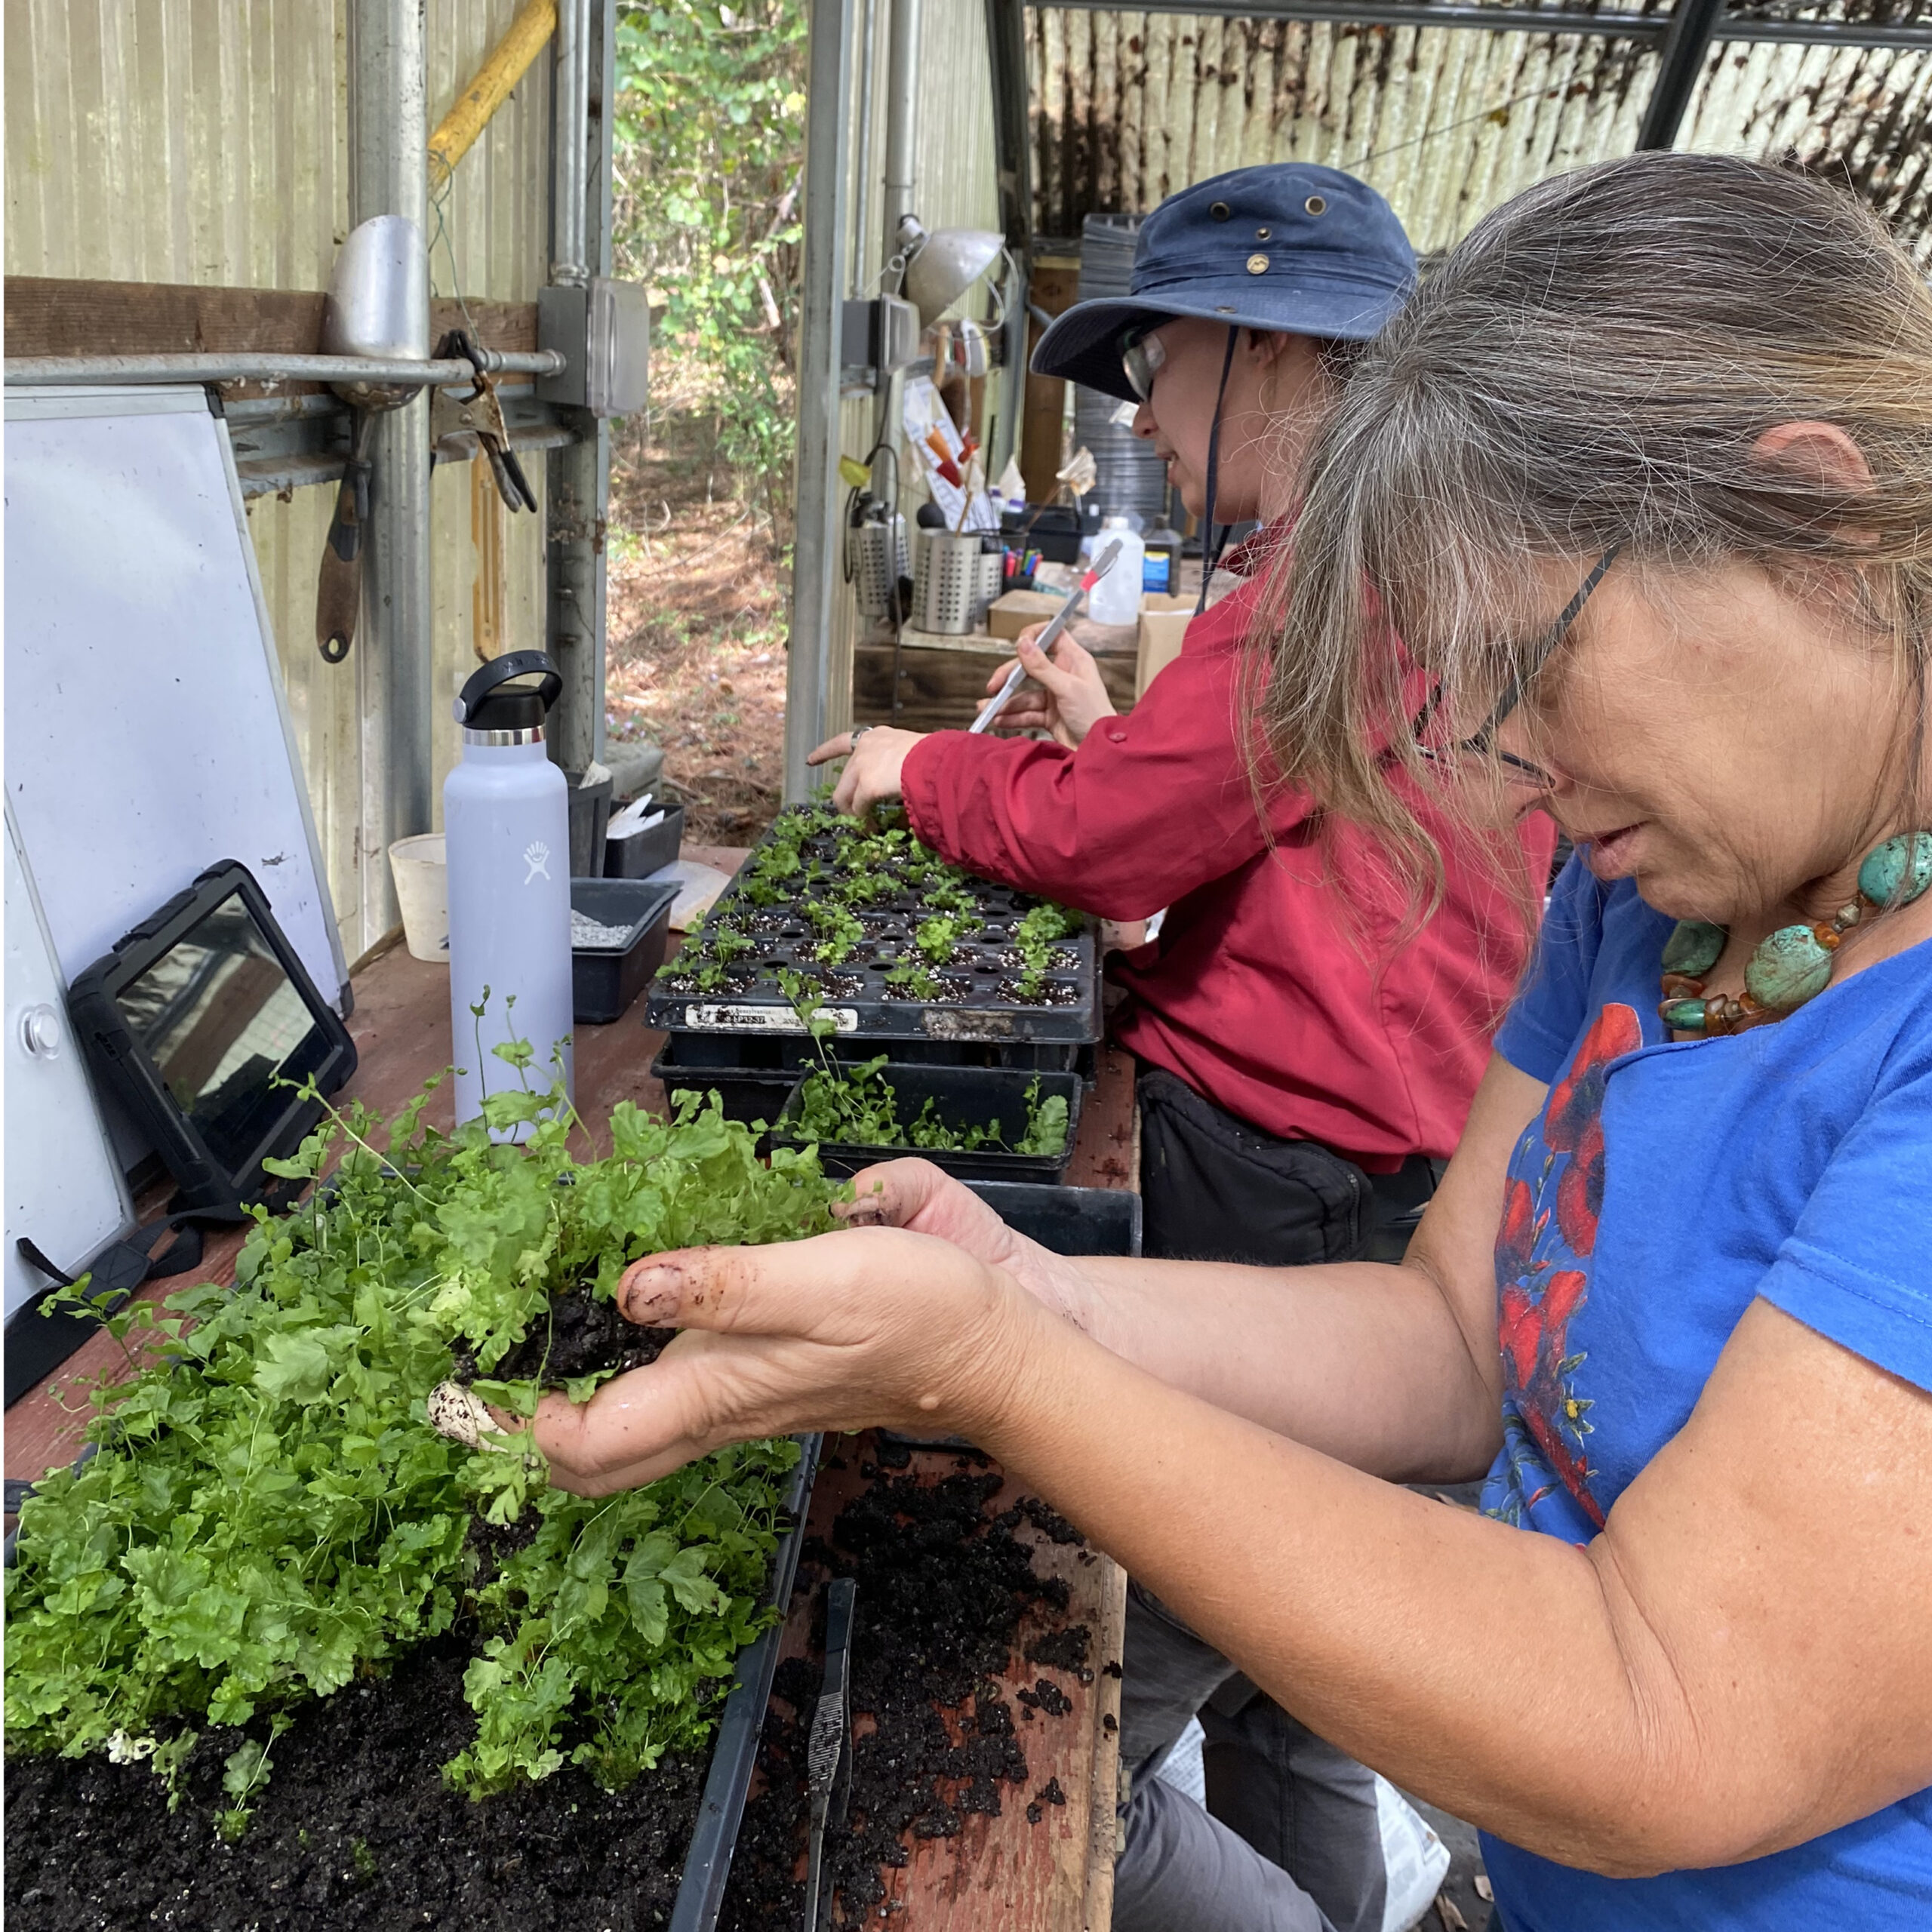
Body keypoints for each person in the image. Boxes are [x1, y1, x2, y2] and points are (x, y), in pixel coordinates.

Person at [522, 152, 1932, 1930]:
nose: (1510, 769)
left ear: (1802, 516)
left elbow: (1667, 1714)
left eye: (1521, 666)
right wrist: (1033, 1290)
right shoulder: (1646, 897)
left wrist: (997, 1371)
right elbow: (1450, 1336)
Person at [812, 163, 1554, 1931]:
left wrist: (920, 768)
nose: (1139, 410)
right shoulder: (1412, 556)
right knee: (1303, 1672)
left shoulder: (1341, 578)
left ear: (1272, 348)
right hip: (1394, 1162)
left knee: (1081, 1728)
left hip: (1294, 1186)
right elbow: (1253, 811)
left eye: (1160, 360)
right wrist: (1107, 727)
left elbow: (1104, 843)